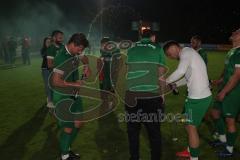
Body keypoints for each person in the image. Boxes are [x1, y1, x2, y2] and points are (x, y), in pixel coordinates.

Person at [163, 41, 212, 160]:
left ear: (175, 48)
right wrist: (175, 83)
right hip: (195, 96)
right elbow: (187, 78)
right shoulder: (188, 54)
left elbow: (180, 71)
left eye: (170, 53)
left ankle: (194, 157)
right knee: (187, 124)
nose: (171, 56)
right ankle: (190, 150)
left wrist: (165, 81)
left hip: (198, 97)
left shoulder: (186, 52)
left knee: (191, 127)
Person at [125, 29, 166, 160]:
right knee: (154, 132)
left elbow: (127, 71)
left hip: (131, 94)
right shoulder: (158, 49)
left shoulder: (131, 49)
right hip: (151, 95)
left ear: (140, 36)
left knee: (133, 131)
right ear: (153, 37)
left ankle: (134, 157)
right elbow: (161, 75)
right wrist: (163, 94)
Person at [52, 33, 89, 160]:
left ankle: (66, 148)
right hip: (63, 96)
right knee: (68, 128)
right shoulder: (62, 57)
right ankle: (65, 155)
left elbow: (85, 59)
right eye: (80, 49)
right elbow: (56, 81)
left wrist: (86, 67)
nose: (81, 52)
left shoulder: (74, 53)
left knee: (79, 123)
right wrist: (74, 83)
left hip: (75, 94)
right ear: (73, 44)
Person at [210, 28, 240, 158]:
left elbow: (237, 75)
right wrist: (219, 81)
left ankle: (229, 149)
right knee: (215, 113)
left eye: (238, 32)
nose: (234, 33)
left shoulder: (239, 52)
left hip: (233, 92)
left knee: (230, 120)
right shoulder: (231, 51)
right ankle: (222, 139)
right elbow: (228, 71)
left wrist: (224, 92)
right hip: (224, 88)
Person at [97, 37, 121, 108]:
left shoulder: (116, 50)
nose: (102, 46)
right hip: (104, 71)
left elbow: (119, 60)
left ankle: (111, 102)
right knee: (103, 87)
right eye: (102, 44)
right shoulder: (102, 49)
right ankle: (105, 102)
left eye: (104, 44)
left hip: (112, 72)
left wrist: (117, 69)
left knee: (111, 87)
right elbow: (101, 58)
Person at [46, 30, 64, 108]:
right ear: (54, 38)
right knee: (54, 89)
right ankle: (50, 102)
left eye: (62, 38)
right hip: (54, 73)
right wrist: (60, 66)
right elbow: (49, 65)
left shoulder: (63, 47)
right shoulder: (51, 48)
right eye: (59, 38)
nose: (61, 39)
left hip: (63, 72)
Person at [40, 37, 52, 107]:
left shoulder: (54, 49)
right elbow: (44, 56)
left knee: (53, 85)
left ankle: (51, 98)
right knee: (47, 85)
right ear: (44, 43)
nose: (48, 43)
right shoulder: (43, 50)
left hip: (53, 69)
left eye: (50, 42)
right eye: (47, 42)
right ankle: (49, 100)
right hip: (45, 69)